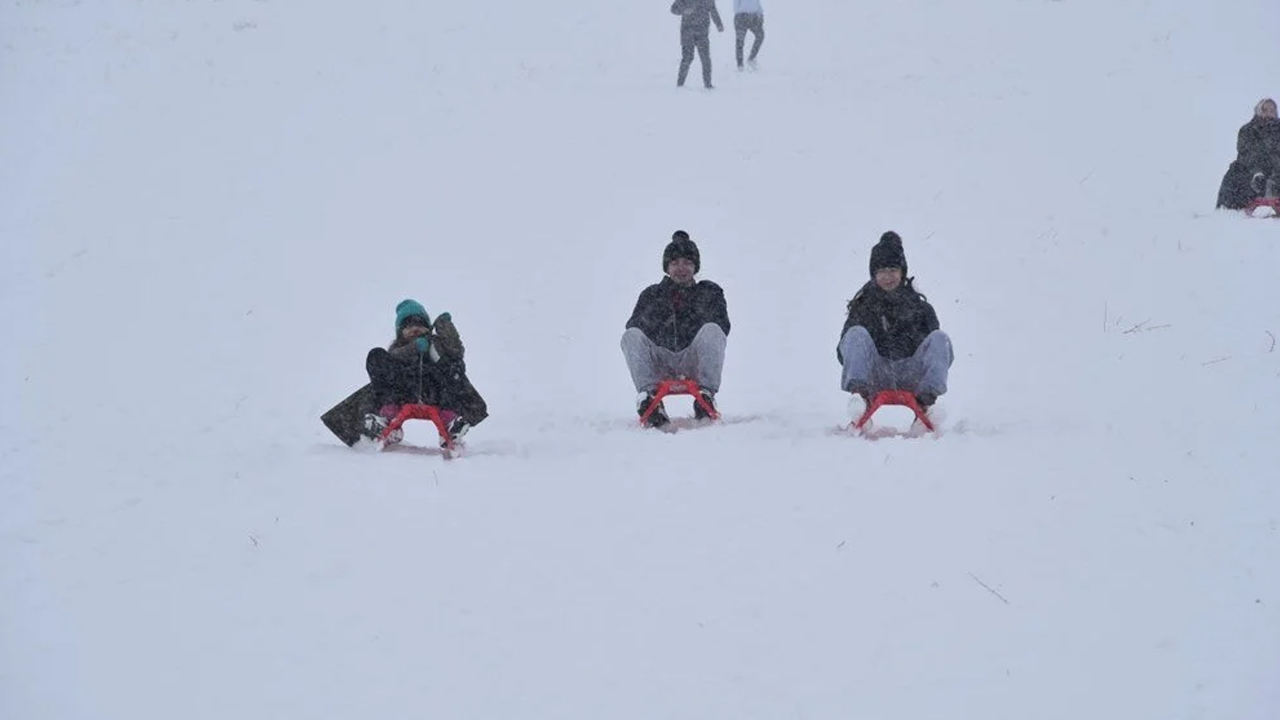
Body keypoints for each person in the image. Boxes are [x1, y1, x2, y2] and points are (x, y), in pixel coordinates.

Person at [836, 232, 953, 419]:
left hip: (910, 374)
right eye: (881, 271)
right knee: (855, 333)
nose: (887, 277)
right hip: (874, 375)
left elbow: (938, 353)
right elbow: (844, 350)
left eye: (892, 270)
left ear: (902, 272)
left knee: (941, 338)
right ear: (874, 274)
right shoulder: (863, 305)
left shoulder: (920, 307)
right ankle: (860, 399)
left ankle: (928, 404)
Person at [622, 231, 731, 427]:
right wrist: (658, 318)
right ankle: (649, 398)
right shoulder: (652, 295)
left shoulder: (709, 292)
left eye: (687, 263)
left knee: (713, 330)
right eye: (675, 263)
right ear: (667, 267)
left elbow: (722, 326)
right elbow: (634, 326)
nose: (681, 268)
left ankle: (705, 396)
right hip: (661, 359)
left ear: (695, 267)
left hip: (693, 359)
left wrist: (693, 310)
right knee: (630, 336)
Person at [362, 299, 488, 446]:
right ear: (400, 331)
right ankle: (387, 416)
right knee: (376, 355)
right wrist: (414, 348)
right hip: (403, 394)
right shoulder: (398, 347)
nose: (415, 329)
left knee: (453, 365)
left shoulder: (436, 343)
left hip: (436, 393)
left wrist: (444, 327)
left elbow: (456, 352)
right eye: (408, 326)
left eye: (420, 325)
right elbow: (394, 357)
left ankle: (450, 422)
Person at [1216, 98, 1280, 210]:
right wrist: (1257, 172)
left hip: (1277, 169)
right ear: (1259, 111)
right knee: (1235, 171)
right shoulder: (1248, 130)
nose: (1269, 113)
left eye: (1272, 110)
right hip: (1254, 170)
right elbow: (1246, 153)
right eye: (1265, 110)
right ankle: (1228, 210)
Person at [671, 0, 724, 89]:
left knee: (705, 59)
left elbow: (713, 10)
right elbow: (673, 9)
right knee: (688, 58)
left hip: (702, 33)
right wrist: (684, 10)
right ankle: (680, 84)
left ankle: (708, 84)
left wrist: (719, 24)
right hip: (687, 32)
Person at [733, 0, 764, 70]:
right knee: (740, 41)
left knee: (760, 35)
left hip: (754, 17)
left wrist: (760, 14)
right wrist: (741, 14)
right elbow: (735, 6)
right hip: (741, 16)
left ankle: (751, 58)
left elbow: (757, 3)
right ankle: (740, 64)